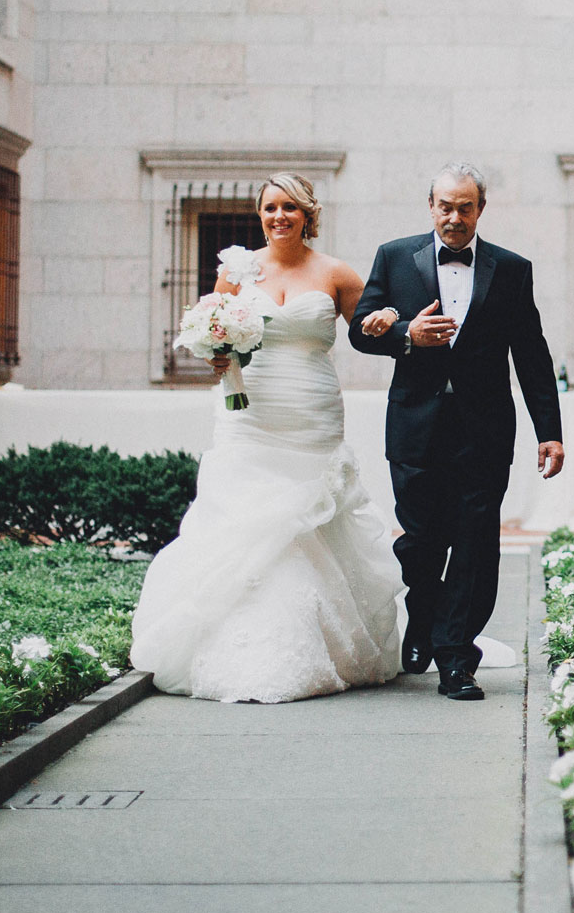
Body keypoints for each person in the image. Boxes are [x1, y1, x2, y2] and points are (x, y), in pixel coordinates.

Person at [130, 173, 409, 703]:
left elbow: (375, 331)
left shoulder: (336, 273)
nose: (279, 216)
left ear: (309, 214)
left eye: (290, 207)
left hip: (311, 411)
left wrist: (394, 325)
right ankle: (235, 647)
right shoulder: (237, 270)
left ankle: (326, 646)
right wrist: (216, 354)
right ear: (259, 215)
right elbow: (210, 331)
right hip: (248, 412)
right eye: (269, 208)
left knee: (310, 519)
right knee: (244, 514)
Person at [349, 162, 564, 702]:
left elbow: (532, 355)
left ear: (480, 210)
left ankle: (455, 659)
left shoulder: (512, 270)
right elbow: (361, 331)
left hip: (484, 431)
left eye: (464, 206)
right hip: (415, 426)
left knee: (474, 545)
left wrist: (550, 431)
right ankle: (422, 616)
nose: (454, 216)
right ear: (431, 207)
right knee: (421, 540)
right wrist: (404, 333)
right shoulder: (395, 256)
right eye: (445, 205)